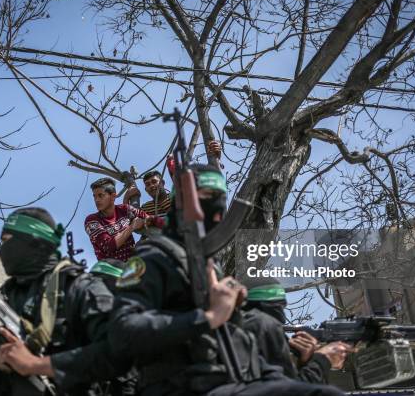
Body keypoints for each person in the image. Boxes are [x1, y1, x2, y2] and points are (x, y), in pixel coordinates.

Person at [109, 164, 347, 396]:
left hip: (227, 381)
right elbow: (123, 332)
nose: (215, 208)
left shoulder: (210, 265)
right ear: (181, 205)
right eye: (205, 197)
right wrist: (208, 317)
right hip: (178, 385)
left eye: (219, 198)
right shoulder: (152, 258)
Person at [0, 207, 128, 396]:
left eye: (6, 241)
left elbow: (121, 350)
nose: (1, 249)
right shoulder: (4, 298)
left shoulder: (79, 289)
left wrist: (36, 365)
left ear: (32, 242)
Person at [243, 279, 353, 384]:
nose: (282, 319)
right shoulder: (258, 326)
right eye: (278, 307)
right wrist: (323, 360)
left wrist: (305, 365)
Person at [85, 177, 164, 262]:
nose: (96, 200)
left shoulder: (125, 209)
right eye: (95, 196)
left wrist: (170, 226)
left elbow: (149, 218)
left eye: (101, 195)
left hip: (133, 266)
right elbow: (108, 246)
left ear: (113, 196)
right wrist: (132, 227)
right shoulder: (92, 221)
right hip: (111, 271)